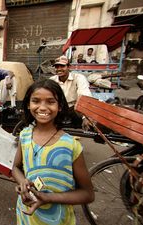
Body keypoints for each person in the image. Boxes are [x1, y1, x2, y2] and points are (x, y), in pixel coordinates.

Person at [12, 79, 94, 224]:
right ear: (28, 104)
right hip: (26, 217)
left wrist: (49, 198)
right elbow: (16, 168)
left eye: (50, 102)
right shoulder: (24, 135)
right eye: (36, 101)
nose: (42, 108)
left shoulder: (70, 146)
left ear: (60, 106)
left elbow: (88, 194)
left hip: (59, 220)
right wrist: (23, 182)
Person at [49, 55, 92, 129]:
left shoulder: (78, 78)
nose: (59, 69)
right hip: (58, 110)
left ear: (69, 67)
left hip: (74, 110)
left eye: (62, 66)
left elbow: (84, 96)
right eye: (57, 67)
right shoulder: (52, 80)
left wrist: (86, 117)